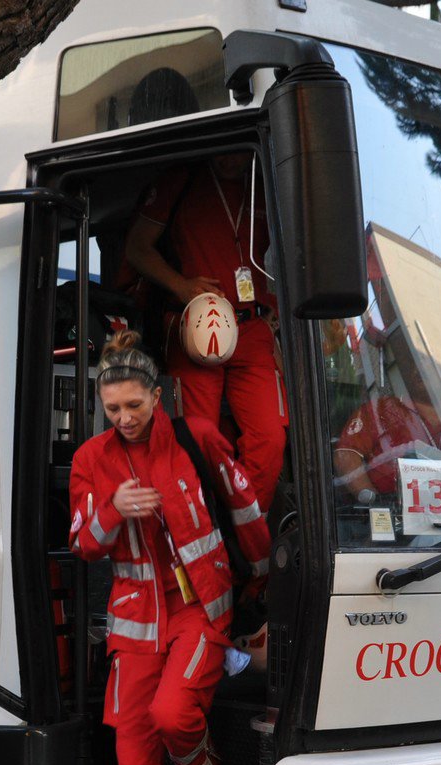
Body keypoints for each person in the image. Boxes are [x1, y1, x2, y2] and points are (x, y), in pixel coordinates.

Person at [68, 332, 270, 765]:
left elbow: (246, 514)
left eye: (134, 405)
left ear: (157, 396)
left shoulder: (197, 438)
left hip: (202, 610)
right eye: (112, 409)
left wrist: (259, 591)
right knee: (132, 755)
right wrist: (113, 509)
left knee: (173, 714)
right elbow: (82, 544)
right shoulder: (90, 460)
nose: (125, 418)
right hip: (133, 626)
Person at [124, 152, 285, 513]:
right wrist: (180, 286)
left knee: (270, 441)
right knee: (196, 442)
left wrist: (273, 302)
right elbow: (136, 247)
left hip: (253, 329)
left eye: (235, 154)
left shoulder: (266, 183)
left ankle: (246, 537)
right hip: (195, 327)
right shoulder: (181, 178)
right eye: (221, 153)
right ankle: (203, 534)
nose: (229, 160)